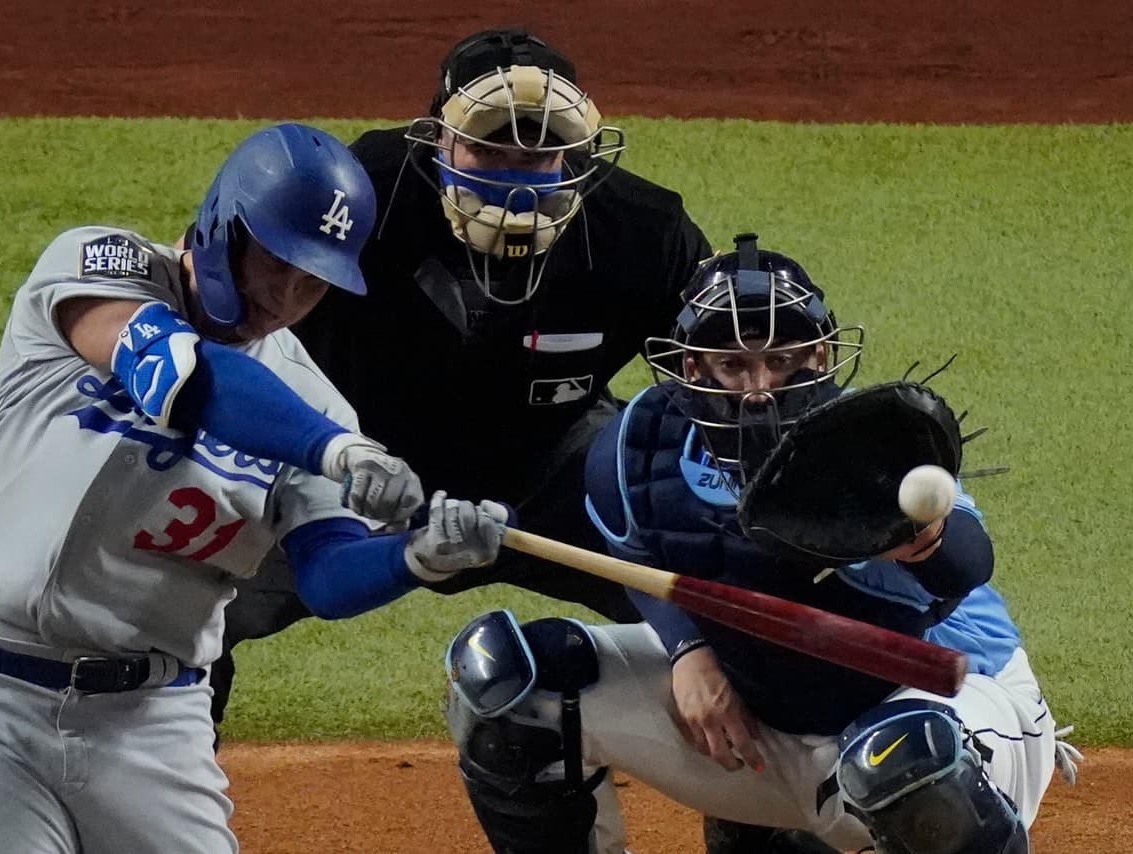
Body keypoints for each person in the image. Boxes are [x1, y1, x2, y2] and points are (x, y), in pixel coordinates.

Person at [0, 122, 509, 854]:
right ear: (226, 224)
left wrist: (417, 558)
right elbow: (187, 374)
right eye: (274, 260)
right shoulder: (103, 267)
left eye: (313, 281)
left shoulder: (312, 402)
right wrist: (336, 452)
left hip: (152, 725)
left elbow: (327, 577)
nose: (284, 296)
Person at [442, 233, 1071, 854]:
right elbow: (638, 562)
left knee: (906, 764)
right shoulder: (639, 451)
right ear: (691, 367)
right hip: (763, 723)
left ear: (820, 361)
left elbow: (965, 562)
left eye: (782, 360)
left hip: (947, 718)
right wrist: (688, 651)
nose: (760, 388)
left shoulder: (879, 454)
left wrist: (924, 539)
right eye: (733, 365)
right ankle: (771, 827)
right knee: (507, 680)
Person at [209, 29, 711, 722]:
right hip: (348, 472)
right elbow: (231, 333)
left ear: (579, 153)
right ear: (436, 141)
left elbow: (724, 380)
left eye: (541, 154)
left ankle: (766, 824)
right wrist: (315, 448)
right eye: (488, 150)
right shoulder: (358, 194)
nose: (516, 178)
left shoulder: (642, 230)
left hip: (550, 468)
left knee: (711, 589)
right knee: (184, 603)